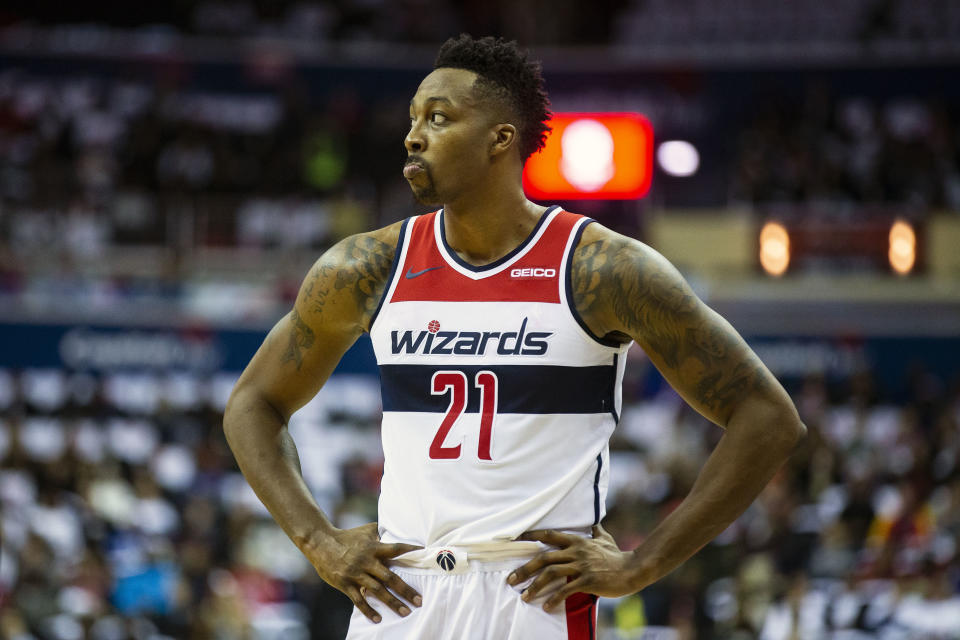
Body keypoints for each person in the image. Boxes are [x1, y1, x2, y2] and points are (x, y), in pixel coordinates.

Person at [223, 34, 806, 639]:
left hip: (532, 594)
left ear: (501, 137)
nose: (413, 135)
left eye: (439, 118)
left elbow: (768, 416)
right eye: (414, 118)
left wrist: (641, 564)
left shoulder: (602, 269)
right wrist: (318, 542)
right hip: (400, 594)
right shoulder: (365, 268)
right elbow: (251, 405)